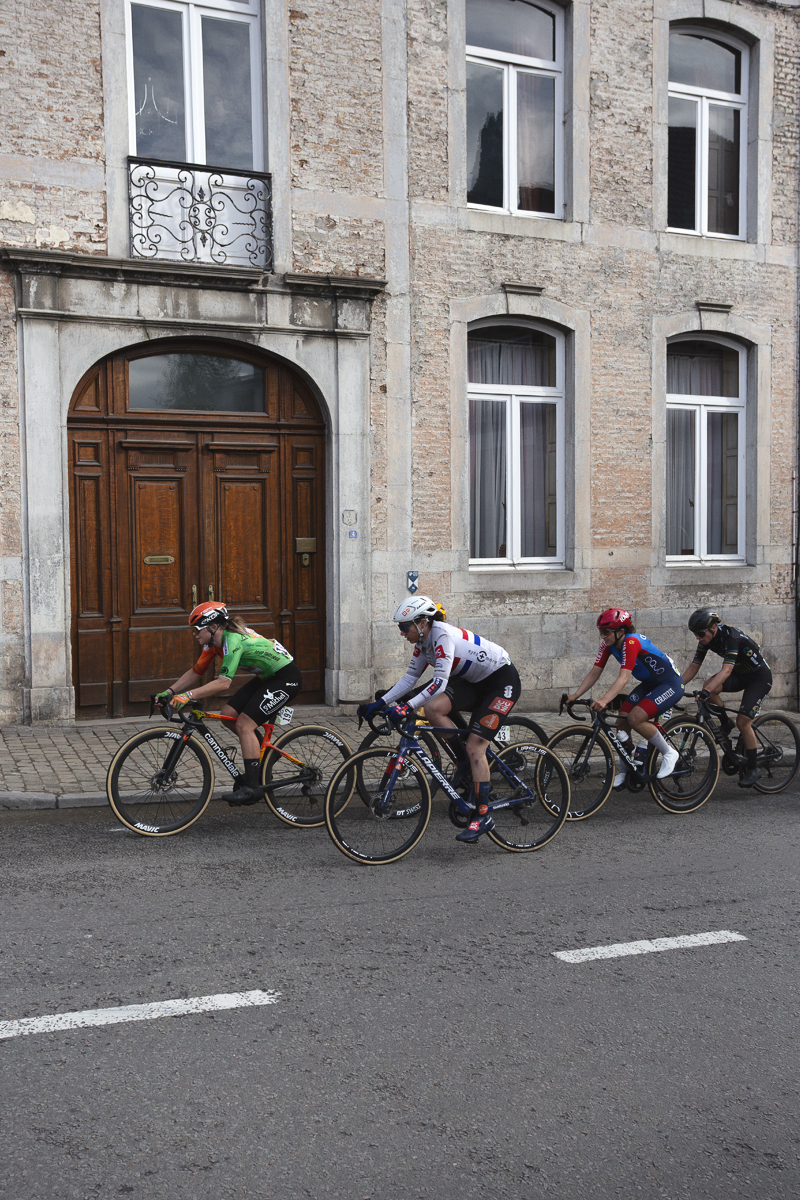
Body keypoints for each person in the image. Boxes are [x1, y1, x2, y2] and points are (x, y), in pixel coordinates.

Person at [360, 596, 521, 843]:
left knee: (476, 746)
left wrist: (404, 708)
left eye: (405, 627)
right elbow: (410, 677)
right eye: (400, 628)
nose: (402, 633)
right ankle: (464, 762)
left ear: (422, 622)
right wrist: (380, 703)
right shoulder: (423, 641)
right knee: (434, 710)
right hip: (475, 682)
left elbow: (438, 683)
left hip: (501, 681)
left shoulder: (442, 636)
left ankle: (483, 815)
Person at [155, 601, 302, 804]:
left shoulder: (232, 640)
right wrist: (170, 692)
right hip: (267, 677)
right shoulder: (214, 644)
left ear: (213, 627)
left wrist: (187, 696)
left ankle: (252, 787)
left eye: (197, 629)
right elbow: (196, 672)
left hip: (286, 678)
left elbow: (223, 684)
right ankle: (265, 755)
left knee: (244, 725)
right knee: (229, 714)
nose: (195, 634)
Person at [566, 608, 683, 786]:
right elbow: (595, 672)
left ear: (621, 631)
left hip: (670, 684)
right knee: (622, 720)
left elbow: (624, 677)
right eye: (600, 632)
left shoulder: (631, 642)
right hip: (650, 684)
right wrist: (574, 695)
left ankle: (668, 752)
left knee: (635, 718)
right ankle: (626, 771)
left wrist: (604, 700)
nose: (602, 636)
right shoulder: (609, 645)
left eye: (605, 632)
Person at [682, 607, 772, 787]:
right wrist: (675, 686)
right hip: (740, 674)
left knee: (743, 722)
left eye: (700, 634)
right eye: (696, 635)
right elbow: (694, 666)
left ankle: (753, 769)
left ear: (713, 628)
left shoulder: (731, 638)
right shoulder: (706, 639)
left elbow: (726, 670)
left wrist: (706, 691)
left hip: (758, 678)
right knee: (709, 687)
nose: (698, 638)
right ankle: (725, 722)